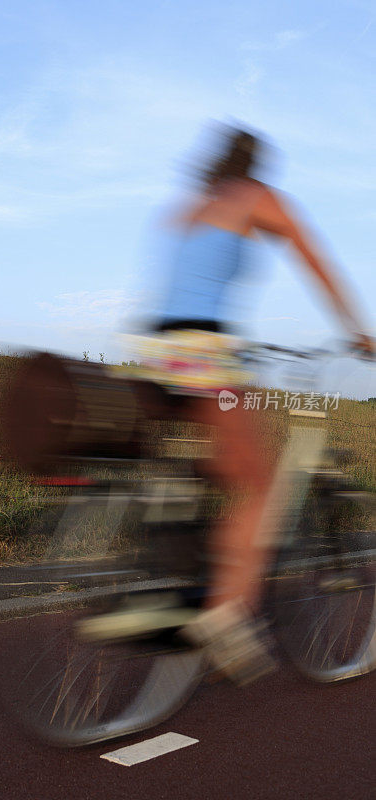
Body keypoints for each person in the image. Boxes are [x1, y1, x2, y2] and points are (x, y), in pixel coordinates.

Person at [93, 125, 374, 683]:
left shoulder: (189, 207)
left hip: (154, 350)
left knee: (212, 469)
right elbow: (316, 262)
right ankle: (225, 614)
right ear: (253, 166)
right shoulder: (257, 198)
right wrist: (357, 331)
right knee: (260, 484)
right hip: (202, 350)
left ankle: (185, 560)